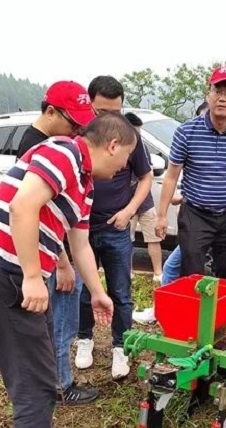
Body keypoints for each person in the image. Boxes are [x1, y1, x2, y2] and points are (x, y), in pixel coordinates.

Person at [0, 111, 138, 428]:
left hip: (24, 279)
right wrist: (31, 275)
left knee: (43, 370)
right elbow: (22, 206)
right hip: (5, 278)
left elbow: (79, 245)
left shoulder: (82, 183)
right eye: (124, 159)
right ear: (112, 145)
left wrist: (98, 293)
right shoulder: (62, 152)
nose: (123, 169)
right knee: (33, 382)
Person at [15, 81, 99, 406]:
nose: (77, 132)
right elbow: (30, 211)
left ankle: (56, 382)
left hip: (54, 252)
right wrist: (62, 262)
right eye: (73, 123)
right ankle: (60, 384)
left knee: (58, 318)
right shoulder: (41, 147)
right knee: (56, 321)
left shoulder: (54, 142)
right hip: (46, 257)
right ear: (50, 111)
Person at [74, 76, 152, 380]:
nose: (109, 120)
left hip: (116, 226)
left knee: (120, 290)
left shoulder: (129, 136)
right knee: (83, 288)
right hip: (81, 228)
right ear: (89, 104)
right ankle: (85, 340)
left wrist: (129, 211)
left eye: (115, 112)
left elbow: (145, 177)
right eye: (101, 112)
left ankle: (121, 346)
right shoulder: (80, 137)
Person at [154, 64, 226, 281]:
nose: (222, 98)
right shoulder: (186, 131)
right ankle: (192, 315)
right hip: (195, 214)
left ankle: (222, 315)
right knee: (191, 275)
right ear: (207, 95)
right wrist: (162, 216)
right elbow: (171, 176)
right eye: (217, 91)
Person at [124, 112, 163, 282]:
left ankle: (158, 275)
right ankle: (128, 275)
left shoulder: (143, 149)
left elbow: (147, 174)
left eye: (139, 133)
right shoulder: (116, 148)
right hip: (125, 204)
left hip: (145, 202)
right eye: (135, 132)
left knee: (153, 237)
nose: (137, 136)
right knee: (126, 240)